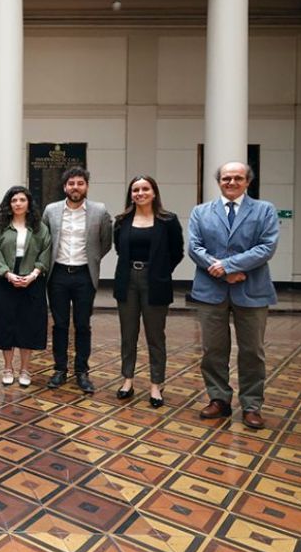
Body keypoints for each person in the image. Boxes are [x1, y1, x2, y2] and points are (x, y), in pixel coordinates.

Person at [188, 162, 279, 430]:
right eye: (226, 178)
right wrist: (223, 272)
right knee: (213, 350)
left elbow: (267, 246)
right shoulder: (201, 212)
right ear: (219, 181)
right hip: (210, 291)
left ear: (248, 182)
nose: (231, 182)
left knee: (252, 351)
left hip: (251, 290)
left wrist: (229, 266)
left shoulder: (264, 210)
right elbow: (194, 247)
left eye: (238, 178)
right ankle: (219, 399)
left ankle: (252, 405)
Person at [113, 176, 184, 408]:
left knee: (155, 336)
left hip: (155, 281)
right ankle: (127, 380)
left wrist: (161, 271)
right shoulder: (122, 221)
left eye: (145, 189)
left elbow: (177, 252)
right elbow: (118, 249)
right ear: (130, 194)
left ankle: (156, 384)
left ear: (154, 192)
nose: (140, 193)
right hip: (127, 281)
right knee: (128, 334)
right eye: (135, 190)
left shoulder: (168, 220)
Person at [43, 166, 113, 394]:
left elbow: (105, 243)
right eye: (71, 183)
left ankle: (82, 372)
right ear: (65, 187)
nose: (75, 187)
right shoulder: (51, 211)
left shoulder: (99, 211)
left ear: (87, 187)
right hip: (58, 275)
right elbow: (44, 241)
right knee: (60, 324)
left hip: (84, 274)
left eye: (80, 183)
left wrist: (91, 260)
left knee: (83, 325)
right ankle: (60, 369)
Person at [0, 186, 52, 388]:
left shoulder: (40, 227)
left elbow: (46, 251)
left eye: (21, 200)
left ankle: (25, 369)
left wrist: (34, 274)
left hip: (32, 281)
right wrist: (7, 273)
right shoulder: (0, 226)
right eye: (14, 200)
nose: (17, 203)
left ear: (28, 203)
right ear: (9, 204)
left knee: (28, 325)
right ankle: (8, 368)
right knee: (5, 324)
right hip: (5, 280)